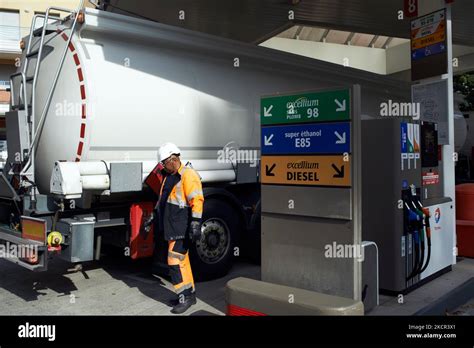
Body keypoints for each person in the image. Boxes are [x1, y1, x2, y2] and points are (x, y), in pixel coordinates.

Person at [145, 143, 204, 314]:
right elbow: (163, 201)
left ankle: (184, 298)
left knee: (174, 261)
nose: (162, 167)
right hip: (172, 227)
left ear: (173, 159)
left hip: (182, 226)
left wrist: (195, 223)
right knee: (183, 262)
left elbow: (197, 200)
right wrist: (153, 217)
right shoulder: (169, 176)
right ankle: (189, 296)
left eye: (163, 163)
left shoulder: (188, 175)